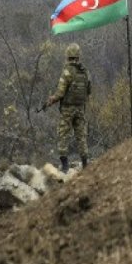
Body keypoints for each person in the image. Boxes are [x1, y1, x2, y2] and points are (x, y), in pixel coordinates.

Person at [43, 43, 91, 173]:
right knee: (81, 136)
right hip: (80, 109)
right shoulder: (85, 72)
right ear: (78, 56)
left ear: (68, 56)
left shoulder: (67, 71)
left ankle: (65, 166)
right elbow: (89, 91)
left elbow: (60, 93)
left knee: (63, 134)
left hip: (68, 109)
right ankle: (85, 163)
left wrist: (51, 100)